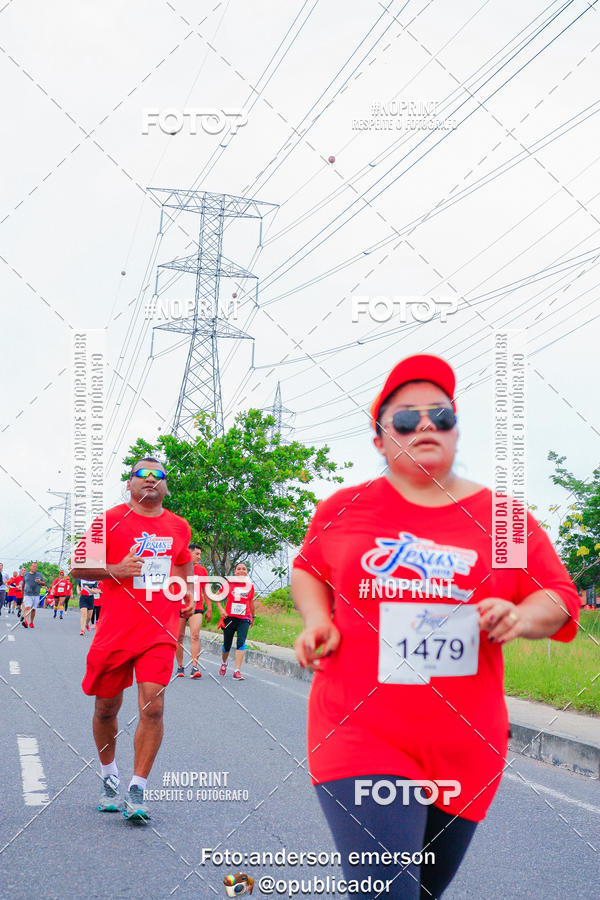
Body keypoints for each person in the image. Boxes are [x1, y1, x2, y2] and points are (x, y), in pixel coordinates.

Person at [291, 354, 580, 899]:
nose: (425, 425)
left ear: (455, 430)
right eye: (406, 418)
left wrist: (521, 616)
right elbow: (308, 568)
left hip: (466, 744)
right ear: (380, 440)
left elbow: (560, 598)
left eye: (440, 415)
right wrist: (317, 618)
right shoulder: (344, 508)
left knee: (422, 892)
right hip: (359, 731)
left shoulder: (503, 520)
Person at [70, 457, 193, 821]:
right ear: (129, 483)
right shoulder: (108, 520)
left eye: (158, 475)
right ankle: (110, 776)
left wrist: (187, 589)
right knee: (106, 708)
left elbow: (183, 559)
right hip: (116, 630)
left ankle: (137, 788)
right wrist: (115, 569)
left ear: (166, 485)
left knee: (153, 707)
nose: (150, 479)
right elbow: (77, 566)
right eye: (142, 474)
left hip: (159, 629)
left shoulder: (179, 526)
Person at [175, 544, 212, 678]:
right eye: (197, 554)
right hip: (179, 606)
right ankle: (180, 667)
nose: (199, 556)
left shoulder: (202, 570)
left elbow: (206, 590)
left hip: (197, 607)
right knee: (178, 637)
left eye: (200, 554)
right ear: (189, 553)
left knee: (195, 635)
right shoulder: (178, 567)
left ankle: (195, 667)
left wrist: (209, 608)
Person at [216, 562, 255, 681]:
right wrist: (221, 610)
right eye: (239, 569)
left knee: (241, 642)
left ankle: (237, 671)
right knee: (226, 645)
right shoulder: (228, 583)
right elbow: (217, 597)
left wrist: (253, 616)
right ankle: (224, 663)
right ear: (235, 572)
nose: (241, 571)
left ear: (247, 572)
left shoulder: (250, 586)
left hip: (244, 618)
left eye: (244, 569)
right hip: (229, 618)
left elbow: (251, 602)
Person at [22, 563, 45, 628]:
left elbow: (44, 583)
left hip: (36, 594)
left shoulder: (39, 574)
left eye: (36, 567)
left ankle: (31, 622)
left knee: (33, 609)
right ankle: (26, 622)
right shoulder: (26, 574)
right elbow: (24, 583)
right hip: (27, 594)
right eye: (33, 566)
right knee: (28, 607)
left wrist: (39, 582)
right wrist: (22, 591)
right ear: (30, 567)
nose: (35, 568)